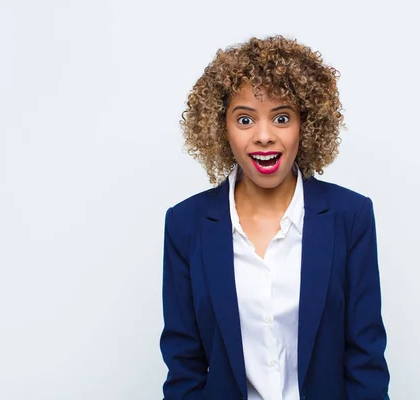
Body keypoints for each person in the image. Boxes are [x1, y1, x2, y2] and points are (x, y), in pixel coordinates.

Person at [160, 35, 390, 400]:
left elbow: (365, 360)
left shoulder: (350, 216)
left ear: (307, 124)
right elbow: (184, 365)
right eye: (245, 119)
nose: (264, 136)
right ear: (221, 128)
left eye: (281, 117)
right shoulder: (186, 224)